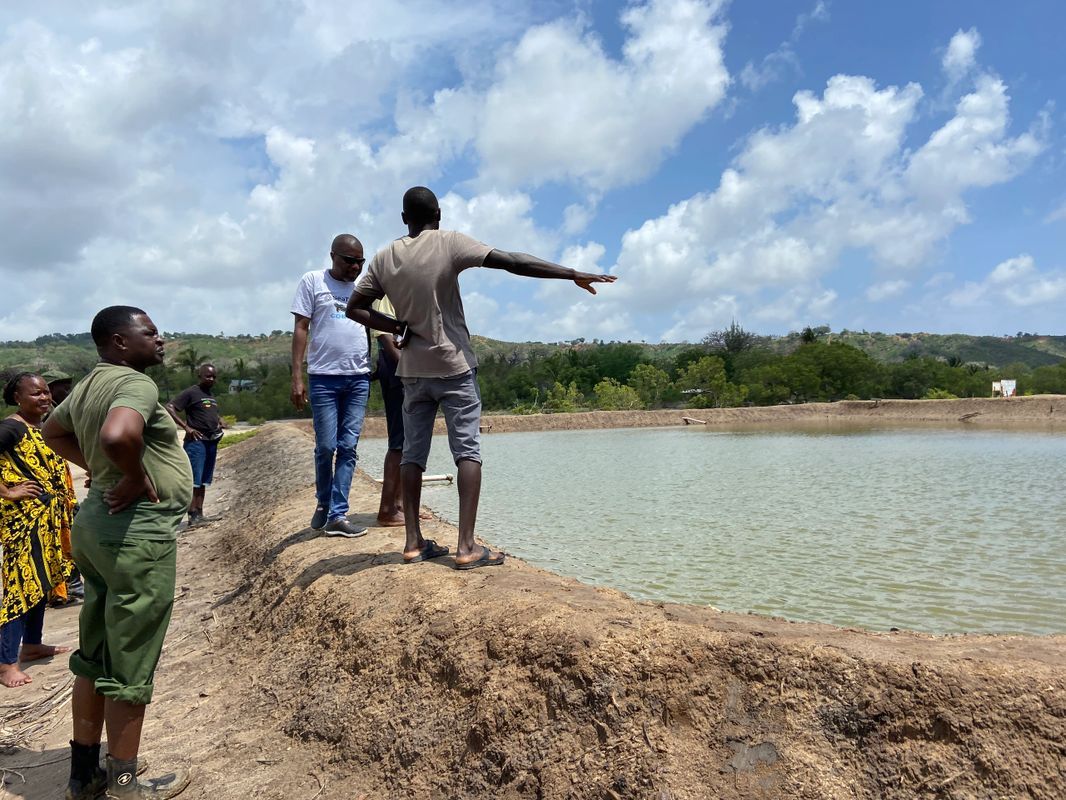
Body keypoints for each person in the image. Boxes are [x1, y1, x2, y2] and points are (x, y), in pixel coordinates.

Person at [347, 186, 616, 569]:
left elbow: (355, 308)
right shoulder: (449, 242)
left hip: (412, 372)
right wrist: (570, 273)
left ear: (404, 218)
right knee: (467, 452)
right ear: (437, 215)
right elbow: (511, 261)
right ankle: (466, 547)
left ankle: (412, 543)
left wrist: (397, 326)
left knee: (412, 455)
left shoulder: (384, 257)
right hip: (454, 367)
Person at [42, 306, 191, 799]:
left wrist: (103, 470)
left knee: (97, 652)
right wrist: (131, 475)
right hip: (134, 537)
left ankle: (84, 775)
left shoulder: (87, 384)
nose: (161, 339)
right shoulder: (136, 384)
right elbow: (117, 435)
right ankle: (126, 784)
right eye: (150, 332)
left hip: (95, 530)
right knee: (130, 661)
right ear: (120, 342)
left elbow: (53, 431)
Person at [290, 234, 373, 538]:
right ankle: (323, 503)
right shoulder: (313, 281)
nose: (355, 267)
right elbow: (301, 328)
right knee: (326, 447)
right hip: (323, 377)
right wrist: (297, 377)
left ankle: (338, 514)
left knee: (348, 447)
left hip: (358, 377)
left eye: (360, 262)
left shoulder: (364, 289)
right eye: (349, 260)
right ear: (333, 257)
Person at [0, 373, 75, 688]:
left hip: (47, 520)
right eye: (36, 393)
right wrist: (8, 491)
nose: (44, 398)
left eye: (46, 393)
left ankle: (31, 644)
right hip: (23, 521)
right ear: (18, 397)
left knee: (40, 582)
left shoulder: (40, 428)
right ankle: (5, 664)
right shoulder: (11, 427)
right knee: (19, 587)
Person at [41, 369, 85, 606]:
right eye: (63, 387)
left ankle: (68, 586)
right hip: (49, 488)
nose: (68, 391)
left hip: (61, 485)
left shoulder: (59, 411)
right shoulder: (48, 414)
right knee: (63, 537)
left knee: (69, 536)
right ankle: (68, 587)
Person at [165, 364, 224, 527]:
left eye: (213, 376)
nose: (211, 379)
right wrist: (186, 427)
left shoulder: (210, 395)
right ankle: (192, 515)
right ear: (200, 376)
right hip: (196, 443)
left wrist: (219, 421)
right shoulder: (192, 392)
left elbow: (209, 414)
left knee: (204, 480)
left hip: (211, 441)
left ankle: (200, 513)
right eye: (207, 376)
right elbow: (170, 407)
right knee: (194, 480)